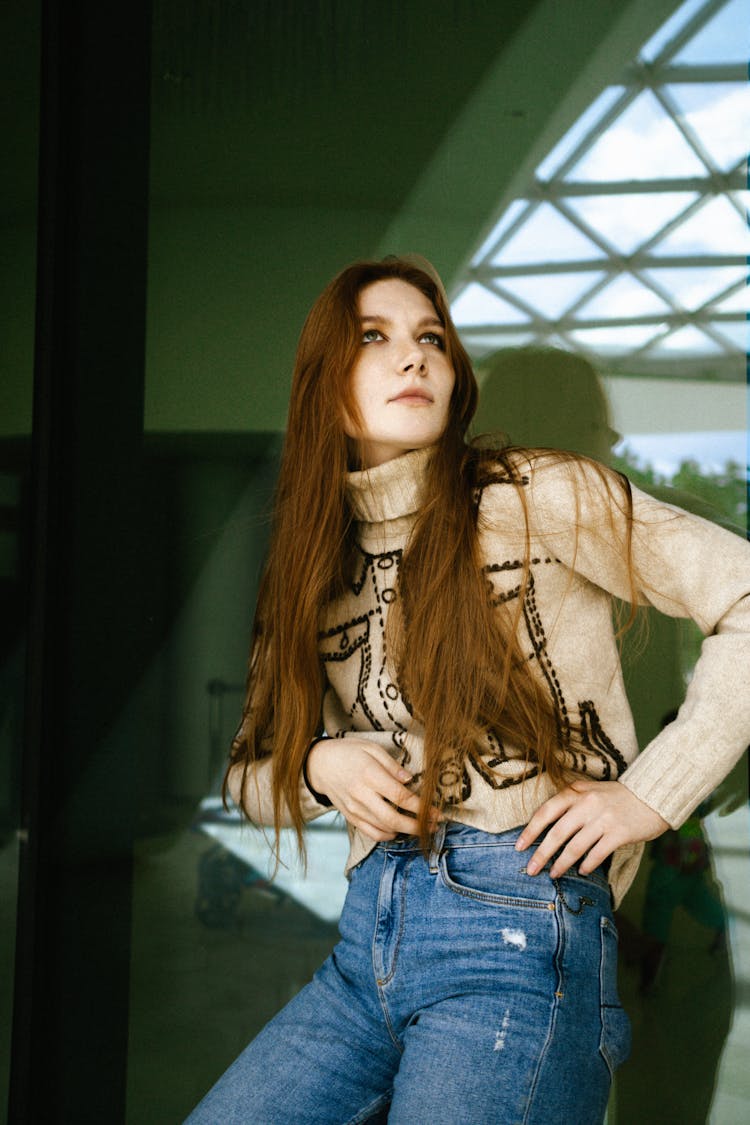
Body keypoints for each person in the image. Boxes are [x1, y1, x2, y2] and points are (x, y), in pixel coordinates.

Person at [186, 256, 750, 1124]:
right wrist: (319, 764)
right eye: (374, 338)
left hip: (518, 926)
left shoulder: (535, 493)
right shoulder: (308, 560)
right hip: (366, 942)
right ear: (322, 385)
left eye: (431, 339)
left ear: (456, 376)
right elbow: (243, 774)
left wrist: (648, 794)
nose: (412, 358)